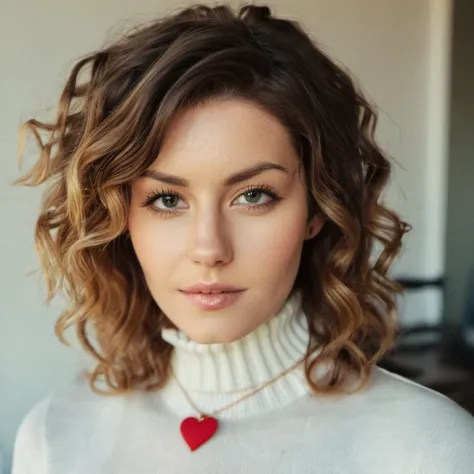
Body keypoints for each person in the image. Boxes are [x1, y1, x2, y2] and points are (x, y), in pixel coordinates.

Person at [11, 4, 474, 473]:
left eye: (253, 195)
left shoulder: (434, 448)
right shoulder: (54, 438)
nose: (209, 249)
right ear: (119, 216)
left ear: (317, 208)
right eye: (168, 200)